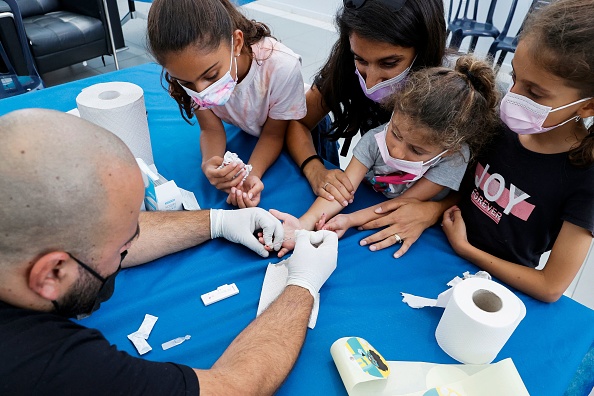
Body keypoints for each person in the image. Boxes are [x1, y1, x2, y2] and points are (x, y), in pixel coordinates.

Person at [0, 109, 338, 395]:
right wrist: (302, 284)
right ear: (52, 274)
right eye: (122, 248)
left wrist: (216, 221)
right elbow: (232, 388)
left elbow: (88, 244)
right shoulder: (46, 364)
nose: (131, 245)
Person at [439, 0, 594, 302]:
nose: (512, 98)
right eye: (514, 78)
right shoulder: (501, 123)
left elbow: (550, 287)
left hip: (497, 293)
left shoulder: (585, 177)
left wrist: (465, 249)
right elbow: (461, 186)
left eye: (535, 92)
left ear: (588, 104)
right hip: (439, 248)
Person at [272, 56, 499, 257]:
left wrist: (350, 220)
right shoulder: (375, 139)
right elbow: (343, 189)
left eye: (416, 150)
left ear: (449, 149)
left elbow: (405, 203)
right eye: (396, 133)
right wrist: (303, 224)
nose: (397, 151)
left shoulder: (455, 158)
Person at [286, 0, 446, 208]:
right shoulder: (346, 67)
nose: (370, 82)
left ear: (423, 52)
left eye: (388, 63)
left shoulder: (451, 92)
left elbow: (470, 182)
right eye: (360, 60)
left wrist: (433, 210)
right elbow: (298, 121)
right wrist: (314, 168)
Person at [147, 0, 306, 208]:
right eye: (186, 83)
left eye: (211, 75)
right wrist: (210, 161)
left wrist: (251, 173)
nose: (201, 91)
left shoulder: (282, 67)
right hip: (250, 130)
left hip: (295, 132)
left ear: (237, 43)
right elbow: (210, 128)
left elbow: (273, 134)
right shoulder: (191, 69)